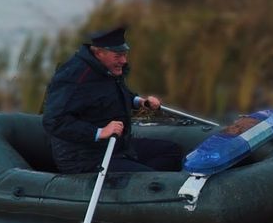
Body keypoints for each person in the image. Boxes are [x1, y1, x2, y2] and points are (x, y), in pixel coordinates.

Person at [42, 26, 182, 174]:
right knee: (148, 178)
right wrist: (99, 132)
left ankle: (146, 187)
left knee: (171, 152)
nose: (124, 61)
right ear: (99, 52)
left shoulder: (106, 69)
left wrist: (139, 102)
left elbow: (113, 94)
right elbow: (53, 120)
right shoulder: (74, 77)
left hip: (117, 146)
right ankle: (146, 184)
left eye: (125, 54)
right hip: (85, 157)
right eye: (118, 56)